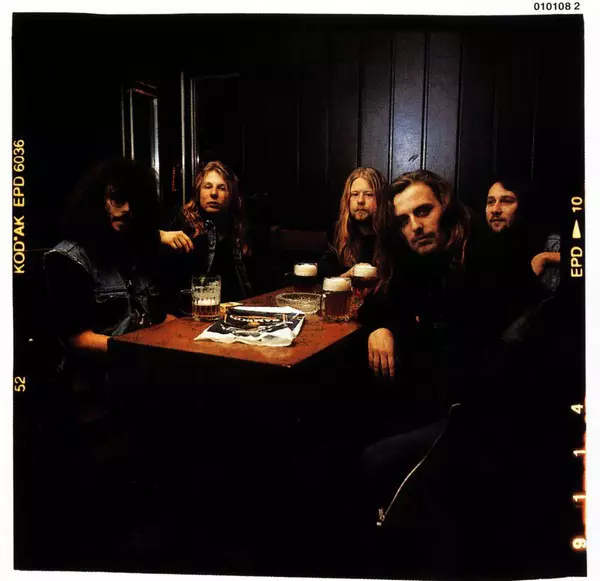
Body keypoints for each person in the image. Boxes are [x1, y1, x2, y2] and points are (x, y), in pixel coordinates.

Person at [44, 159, 172, 390]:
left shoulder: (134, 250)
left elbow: (155, 316)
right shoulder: (68, 258)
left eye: (134, 202)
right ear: (96, 203)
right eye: (118, 200)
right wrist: (139, 350)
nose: (127, 209)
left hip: (141, 377)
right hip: (94, 384)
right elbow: (78, 339)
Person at [159, 160, 253, 309]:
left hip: (234, 309)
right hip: (192, 311)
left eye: (222, 188)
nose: (213, 193)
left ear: (232, 195)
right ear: (198, 192)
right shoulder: (181, 222)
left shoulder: (238, 227)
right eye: (207, 187)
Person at [486, 177, 561, 293]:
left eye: (506, 201)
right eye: (490, 202)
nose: (495, 209)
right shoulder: (480, 247)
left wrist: (545, 258)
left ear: (523, 205)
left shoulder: (550, 244)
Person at [318, 167, 387, 278]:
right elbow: (324, 270)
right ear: (347, 199)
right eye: (354, 194)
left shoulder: (393, 234)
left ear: (380, 199)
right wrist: (347, 276)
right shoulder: (338, 231)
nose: (360, 201)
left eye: (369, 194)